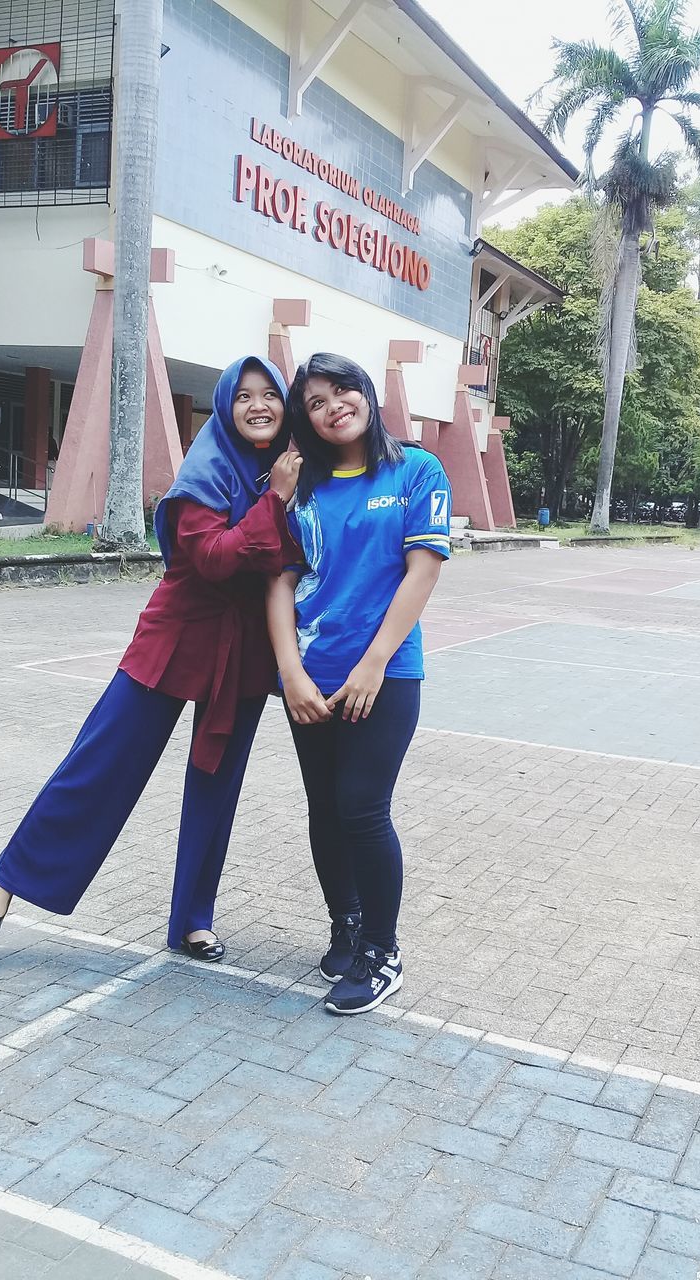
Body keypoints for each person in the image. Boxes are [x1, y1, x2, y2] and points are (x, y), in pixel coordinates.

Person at [0, 356, 303, 961]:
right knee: (101, 761)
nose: (259, 406)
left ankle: (193, 920)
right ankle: (6, 880)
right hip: (176, 634)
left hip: (244, 646)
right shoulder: (210, 470)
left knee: (217, 785)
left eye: (270, 395)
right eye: (244, 395)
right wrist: (275, 499)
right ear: (225, 406)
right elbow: (215, 558)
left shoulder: (294, 468)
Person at [266, 352, 451, 1015]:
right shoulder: (303, 489)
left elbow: (421, 571)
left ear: (367, 394)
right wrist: (288, 672)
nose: (332, 405)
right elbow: (281, 580)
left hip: (385, 674)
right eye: (315, 402)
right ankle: (344, 924)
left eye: (342, 389)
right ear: (306, 420)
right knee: (324, 808)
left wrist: (372, 663)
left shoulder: (415, 471)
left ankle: (381, 950)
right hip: (310, 676)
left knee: (362, 808)